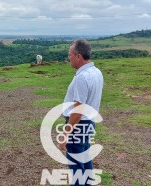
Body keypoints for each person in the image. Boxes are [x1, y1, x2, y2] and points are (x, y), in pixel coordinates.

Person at [59, 39, 104, 186]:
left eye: (70, 54)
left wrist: (65, 133)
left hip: (78, 126)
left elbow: (78, 111)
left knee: (76, 168)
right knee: (85, 159)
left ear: (78, 56)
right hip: (89, 123)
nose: (68, 57)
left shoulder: (82, 77)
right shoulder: (96, 72)